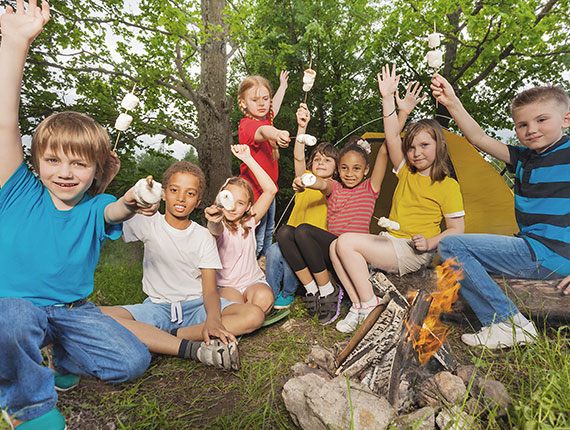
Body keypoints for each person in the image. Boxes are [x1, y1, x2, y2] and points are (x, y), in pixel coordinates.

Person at [0, 2, 154, 428]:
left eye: (80, 165)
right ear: (36, 160)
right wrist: (15, 40)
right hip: (13, 309)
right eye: (53, 160)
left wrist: (136, 198)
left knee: (131, 361)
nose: (65, 173)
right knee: (11, 321)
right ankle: (29, 406)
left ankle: (62, 355)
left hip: (71, 310)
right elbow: (3, 123)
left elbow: (118, 208)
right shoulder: (17, 192)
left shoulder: (95, 207)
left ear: (95, 171)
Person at [431, 72, 570, 349]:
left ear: (566, 119)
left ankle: (505, 322)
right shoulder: (524, 158)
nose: (531, 129)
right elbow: (479, 138)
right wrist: (452, 103)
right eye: (522, 124)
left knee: (451, 245)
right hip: (532, 249)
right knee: (464, 252)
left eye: (542, 120)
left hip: (551, 254)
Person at [330, 64, 466, 334]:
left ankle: (370, 305)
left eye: (424, 146)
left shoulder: (447, 185)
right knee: (335, 246)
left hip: (414, 250)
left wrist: (429, 242)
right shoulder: (406, 172)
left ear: (438, 146)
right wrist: (387, 98)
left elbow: (457, 229)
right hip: (391, 240)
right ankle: (359, 305)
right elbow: (391, 135)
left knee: (346, 242)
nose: (416, 153)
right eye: (412, 147)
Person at [100, 161, 269, 372]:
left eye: (190, 194)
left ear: (198, 201)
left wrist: (214, 320)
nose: (181, 198)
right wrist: (116, 186)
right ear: (163, 193)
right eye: (174, 190)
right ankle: (179, 341)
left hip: (197, 309)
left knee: (254, 315)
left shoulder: (203, 236)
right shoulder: (148, 223)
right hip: (157, 309)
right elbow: (106, 217)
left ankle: (166, 338)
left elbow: (209, 291)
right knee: (98, 315)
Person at [267, 103, 339, 309]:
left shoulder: (333, 186)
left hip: (312, 247)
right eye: (317, 159)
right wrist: (302, 128)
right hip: (288, 238)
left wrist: (306, 181)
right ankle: (270, 296)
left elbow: (322, 186)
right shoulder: (304, 178)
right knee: (273, 252)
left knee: (293, 253)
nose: (321, 163)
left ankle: (292, 291)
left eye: (327, 160)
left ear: (335, 169)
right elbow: (299, 156)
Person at [205, 144, 277, 315]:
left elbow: (271, 190)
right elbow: (214, 228)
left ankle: (249, 316)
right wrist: (213, 220)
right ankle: (244, 318)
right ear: (220, 199)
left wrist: (248, 159)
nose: (233, 207)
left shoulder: (250, 222)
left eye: (240, 203)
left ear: (247, 207)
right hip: (226, 285)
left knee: (264, 299)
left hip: (253, 281)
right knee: (233, 307)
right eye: (229, 199)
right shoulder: (219, 223)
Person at [237, 72, 291, 258]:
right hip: (254, 194)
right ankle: (248, 272)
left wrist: (282, 86)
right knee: (257, 239)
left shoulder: (264, 116)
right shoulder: (248, 125)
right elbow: (264, 131)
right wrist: (277, 134)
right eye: (255, 99)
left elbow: (273, 107)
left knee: (268, 233)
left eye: (265, 98)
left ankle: (264, 271)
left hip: (269, 192)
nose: (261, 103)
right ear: (243, 102)